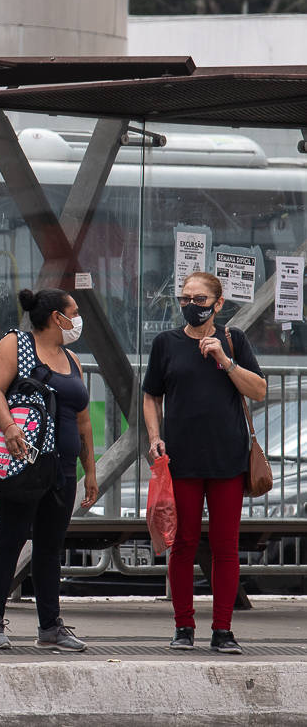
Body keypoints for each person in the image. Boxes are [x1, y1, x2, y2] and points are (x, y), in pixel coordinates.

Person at [142, 271, 266, 654]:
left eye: (199, 299)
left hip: (228, 460)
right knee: (182, 544)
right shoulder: (166, 343)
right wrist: (154, 437)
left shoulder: (233, 340)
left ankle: (223, 630)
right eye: (184, 298)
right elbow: (151, 395)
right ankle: (183, 627)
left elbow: (259, 390)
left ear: (217, 302)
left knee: (227, 547)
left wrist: (224, 361)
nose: (191, 305)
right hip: (182, 460)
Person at [0, 288, 98, 652]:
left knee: (50, 546)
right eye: (73, 312)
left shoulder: (71, 359)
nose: (78, 319)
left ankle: (50, 626)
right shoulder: (15, 345)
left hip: (61, 468)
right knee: (11, 538)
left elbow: (83, 420)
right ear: (56, 317)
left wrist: (89, 470)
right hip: (25, 462)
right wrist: (10, 428)